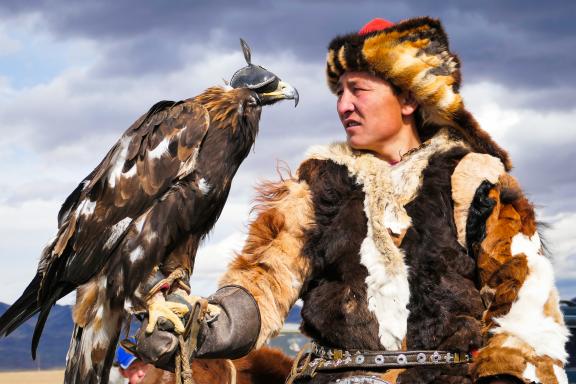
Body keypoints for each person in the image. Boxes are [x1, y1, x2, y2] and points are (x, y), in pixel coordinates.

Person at [135, 17, 569, 384]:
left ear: (407, 98)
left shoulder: (472, 182)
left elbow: (526, 314)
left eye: (358, 90)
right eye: (339, 92)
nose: (343, 105)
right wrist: (202, 327)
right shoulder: (318, 187)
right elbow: (263, 279)